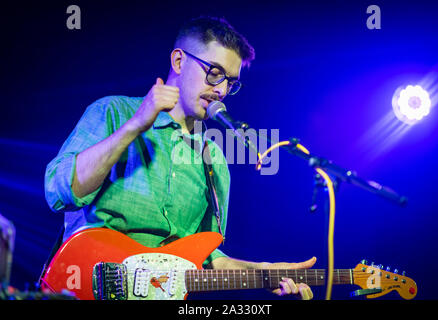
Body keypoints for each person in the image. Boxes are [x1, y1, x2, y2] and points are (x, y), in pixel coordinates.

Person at [44, 16, 316, 299]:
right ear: (178, 61)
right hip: (85, 287)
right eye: (214, 73)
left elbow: (209, 260)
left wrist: (264, 270)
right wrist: (135, 126)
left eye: (231, 83)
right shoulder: (114, 112)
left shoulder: (214, 161)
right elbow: (59, 192)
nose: (221, 91)